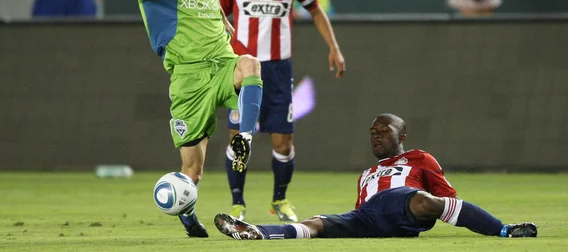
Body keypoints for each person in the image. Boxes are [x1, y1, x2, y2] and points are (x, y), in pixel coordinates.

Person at [104, 0, 264, 238]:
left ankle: (244, 140)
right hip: (188, 80)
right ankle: (188, 216)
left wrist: (224, 22)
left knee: (250, 63)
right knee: (192, 170)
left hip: (221, 64)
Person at [214, 113, 538, 240]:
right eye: (372, 132)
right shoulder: (367, 174)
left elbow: (447, 200)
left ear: (402, 136)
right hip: (369, 216)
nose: (376, 136)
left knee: (426, 201)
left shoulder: (419, 158)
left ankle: (503, 229)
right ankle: (257, 232)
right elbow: (360, 210)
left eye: (384, 131)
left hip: (405, 204)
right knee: (318, 223)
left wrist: (431, 207)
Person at [218, 0, 346, 222]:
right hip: (243, 70)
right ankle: (237, 203)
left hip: (277, 70)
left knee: (283, 141)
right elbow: (216, 16)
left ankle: (279, 200)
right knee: (240, 139)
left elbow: (316, 11)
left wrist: (334, 47)